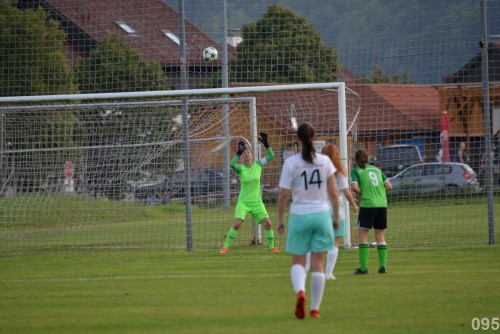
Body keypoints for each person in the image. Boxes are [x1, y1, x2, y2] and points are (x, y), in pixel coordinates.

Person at [277, 123, 340, 319]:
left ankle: (300, 292)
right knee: (318, 264)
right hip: (321, 214)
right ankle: (315, 309)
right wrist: (336, 217)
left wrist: (280, 219)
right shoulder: (325, 161)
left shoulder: (291, 163)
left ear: (297, 138)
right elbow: (333, 193)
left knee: (298, 261)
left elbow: (283, 195)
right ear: (314, 138)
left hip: (299, 215)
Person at [305, 144, 359, 279]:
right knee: (335, 241)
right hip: (336, 210)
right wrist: (354, 205)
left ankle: (305, 267)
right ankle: (328, 273)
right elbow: (346, 191)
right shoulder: (339, 170)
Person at [220, 132, 280, 253]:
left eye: (249, 152)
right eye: (245, 153)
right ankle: (225, 247)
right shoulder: (241, 168)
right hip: (243, 202)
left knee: (268, 224)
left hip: (257, 202)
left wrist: (266, 144)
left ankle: (272, 248)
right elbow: (232, 164)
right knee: (237, 225)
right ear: (242, 156)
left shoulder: (258, 165)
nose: (247, 154)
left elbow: (271, 156)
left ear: (252, 155)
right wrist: (238, 152)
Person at [350, 148, 392, 275]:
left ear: (356, 160)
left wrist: (365, 193)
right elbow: (389, 186)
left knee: (363, 234)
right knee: (380, 235)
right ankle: (382, 267)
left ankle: (363, 268)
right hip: (382, 204)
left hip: (368, 204)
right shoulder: (377, 170)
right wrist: (378, 193)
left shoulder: (356, 170)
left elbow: (354, 187)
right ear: (368, 159)